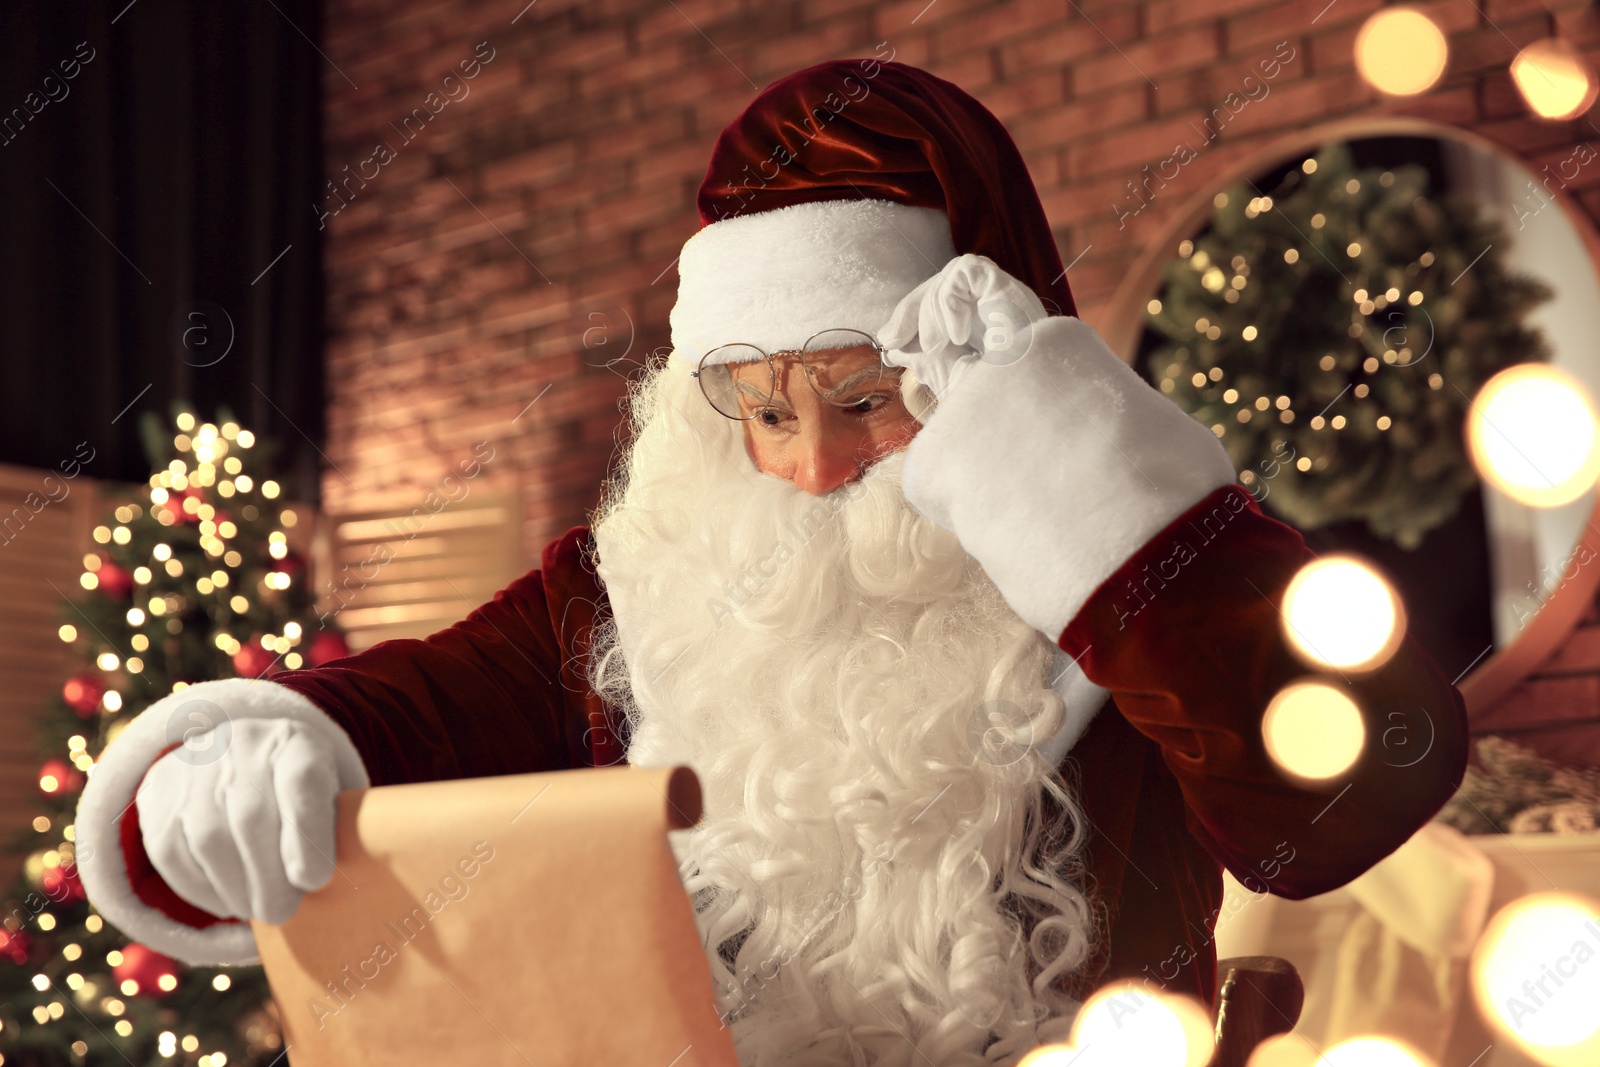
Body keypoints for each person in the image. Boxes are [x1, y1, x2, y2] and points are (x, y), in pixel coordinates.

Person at [77, 59, 1468, 1066]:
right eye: (760, 409)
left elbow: (1356, 788)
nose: (808, 469)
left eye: (867, 402)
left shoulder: (1128, 587)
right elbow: (394, 719)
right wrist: (241, 761)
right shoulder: (628, 588)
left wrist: (1113, 518)